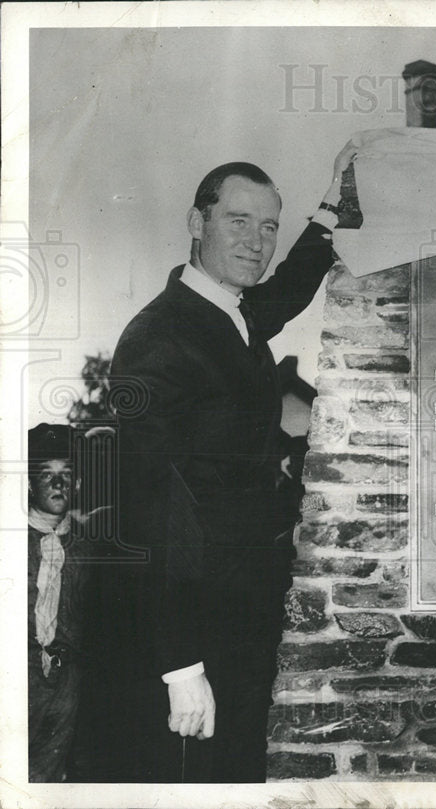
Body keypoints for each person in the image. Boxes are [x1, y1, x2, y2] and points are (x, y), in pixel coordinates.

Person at [101, 145, 357, 782]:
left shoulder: (229, 315)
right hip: (184, 629)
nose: (257, 241)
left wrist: (329, 207)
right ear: (197, 223)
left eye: (269, 226)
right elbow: (146, 506)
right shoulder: (161, 337)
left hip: (239, 612)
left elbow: (286, 290)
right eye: (239, 221)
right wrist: (180, 665)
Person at [27, 423, 95, 781]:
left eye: (66, 474)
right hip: (20, 677)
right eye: (46, 475)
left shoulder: (89, 547)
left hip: (69, 684)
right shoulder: (12, 540)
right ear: (29, 484)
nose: (57, 484)